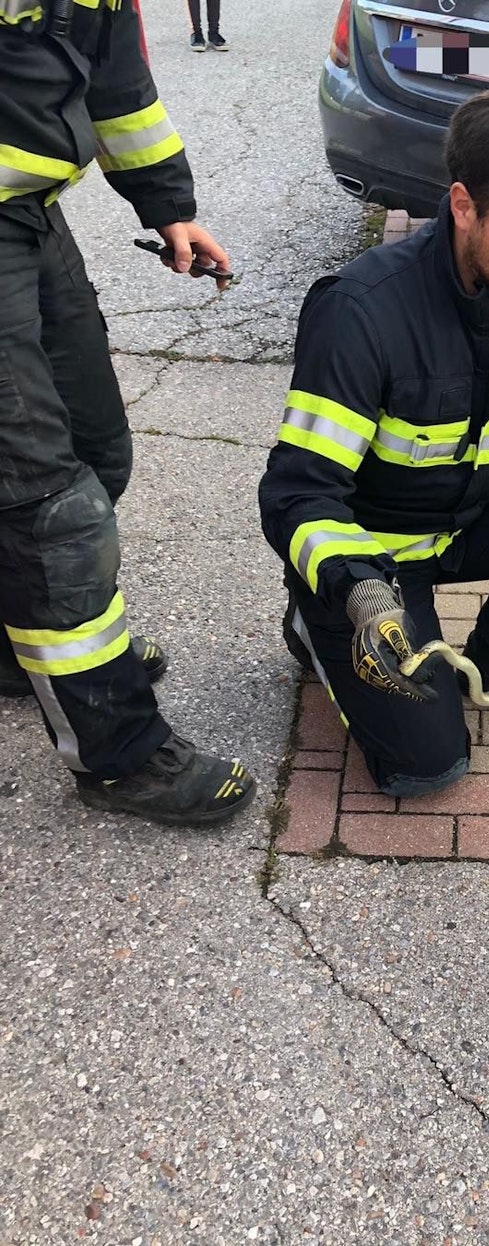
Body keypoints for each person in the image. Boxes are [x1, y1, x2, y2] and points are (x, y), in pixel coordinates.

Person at [258, 84, 489, 797]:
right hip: (378, 559)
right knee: (427, 768)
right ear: (464, 206)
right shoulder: (361, 313)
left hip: (475, 520)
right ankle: (318, 621)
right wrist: (355, 587)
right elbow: (298, 492)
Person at [0, 0, 255, 824]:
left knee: (97, 451)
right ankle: (118, 757)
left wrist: (166, 203)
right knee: (48, 509)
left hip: (32, 214)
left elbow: (116, 82)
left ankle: (24, 651)